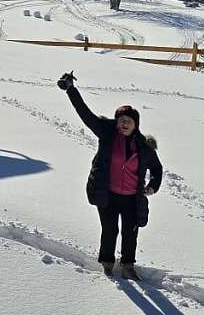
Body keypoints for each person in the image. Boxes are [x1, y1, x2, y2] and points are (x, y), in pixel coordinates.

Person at [58, 72, 162, 278]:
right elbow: (85, 113)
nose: (124, 124)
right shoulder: (106, 133)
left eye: (128, 121)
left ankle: (128, 265)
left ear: (135, 125)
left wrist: (152, 186)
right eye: (121, 120)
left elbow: (157, 170)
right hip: (108, 193)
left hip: (132, 197)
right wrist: (71, 89)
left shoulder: (144, 147)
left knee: (130, 232)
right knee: (109, 229)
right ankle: (107, 262)